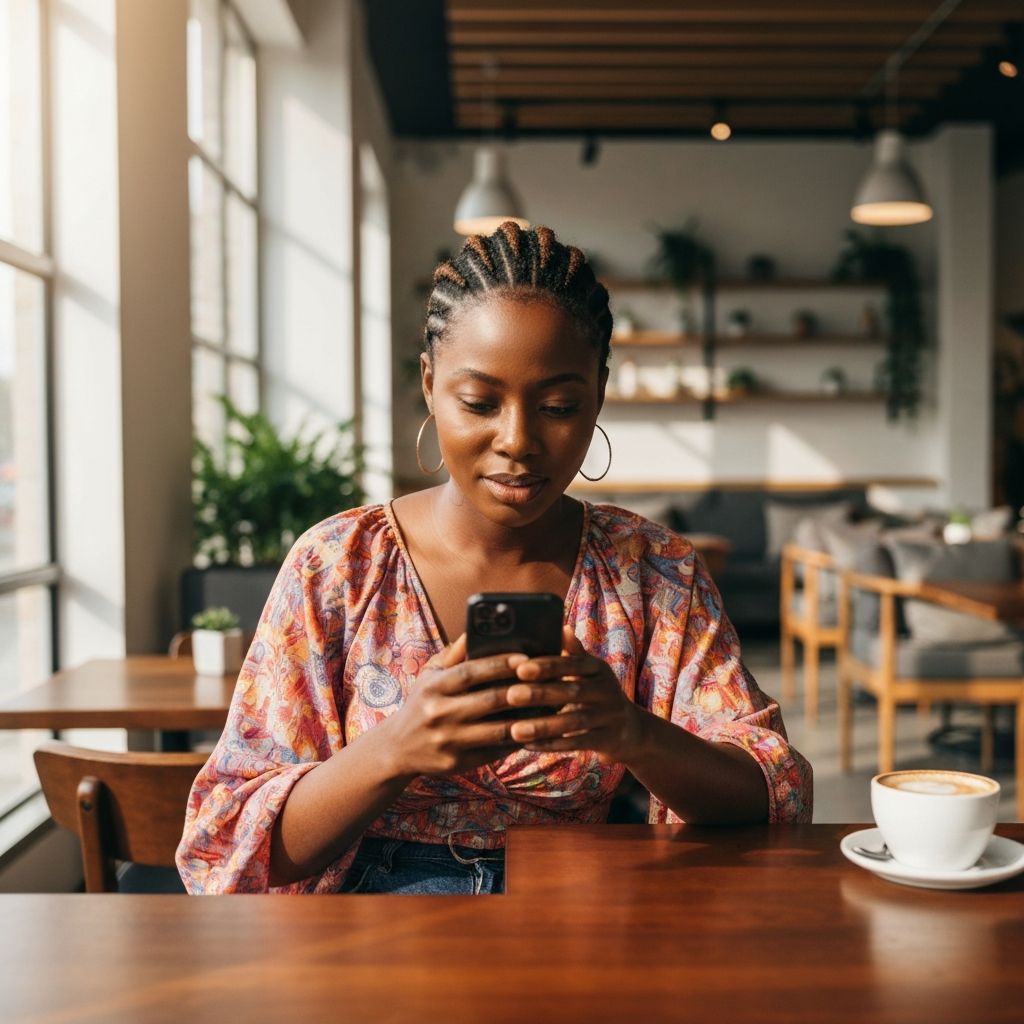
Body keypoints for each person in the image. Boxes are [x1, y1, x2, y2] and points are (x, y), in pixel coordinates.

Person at [176, 222, 812, 895]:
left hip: (575, 910)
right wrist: (396, 748)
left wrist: (633, 733)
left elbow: (775, 794)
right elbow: (232, 846)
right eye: (480, 403)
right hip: (367, 928)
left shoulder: (653, 570)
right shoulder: (338, 565)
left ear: (598, 393)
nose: (518, 440)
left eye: (558, 406)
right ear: (430, 384)